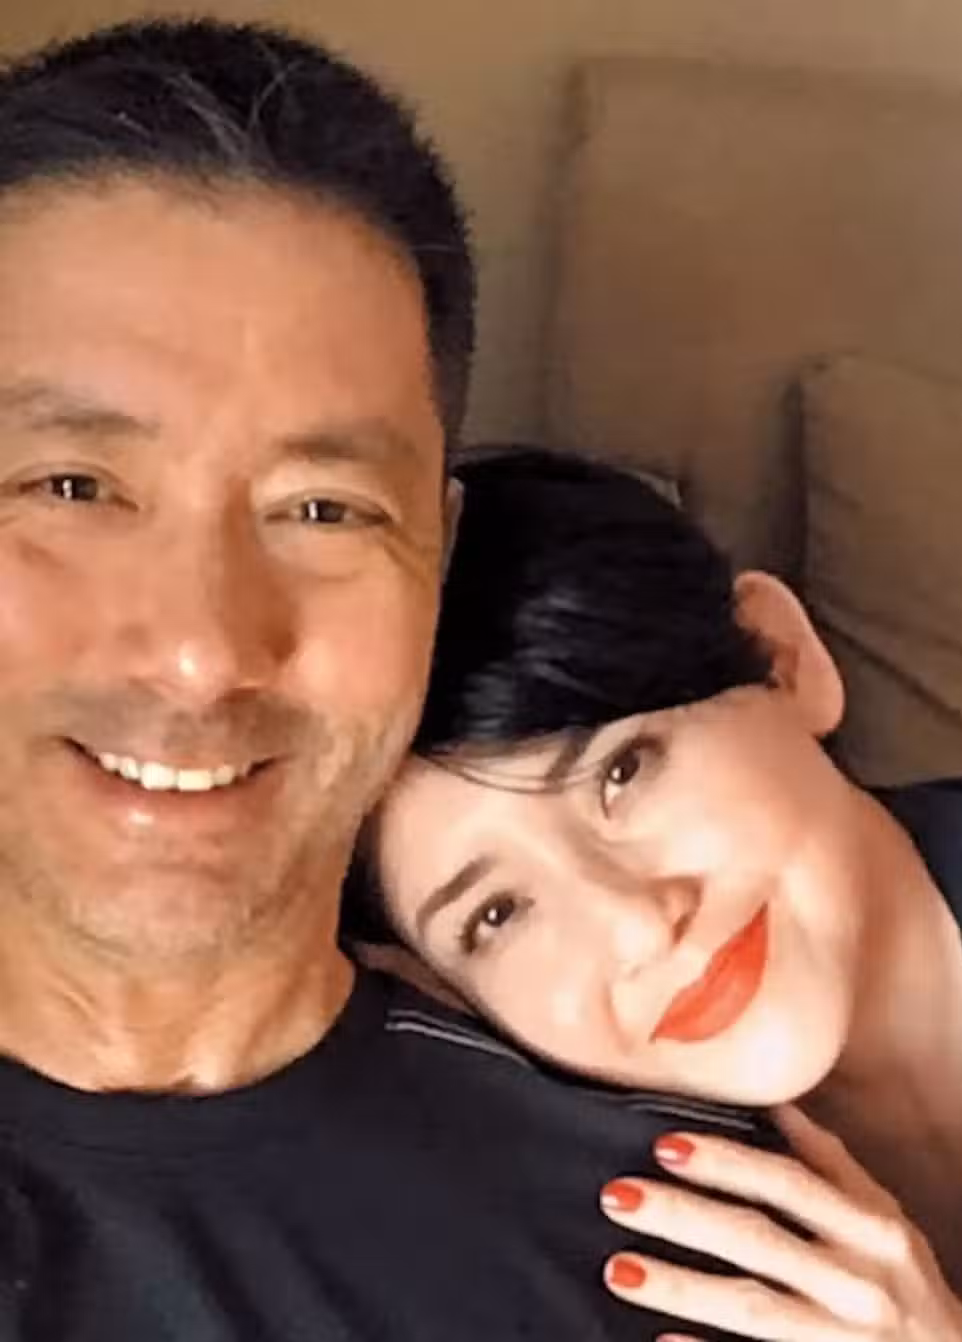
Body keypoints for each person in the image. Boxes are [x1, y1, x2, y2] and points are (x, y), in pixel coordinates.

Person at [0, 21, 796, 1341]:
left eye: (323, 510)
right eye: (73, 487)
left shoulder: (696, 1237)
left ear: (437, 555)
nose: (203, 649)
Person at [366, 446, 962, 1342]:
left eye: (623, 772)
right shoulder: (563, 1142)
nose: (636, 926)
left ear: (782, 657)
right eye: (496, 915)